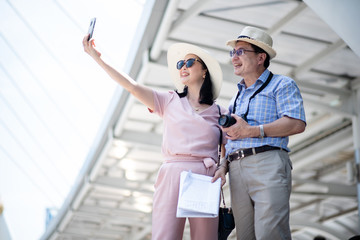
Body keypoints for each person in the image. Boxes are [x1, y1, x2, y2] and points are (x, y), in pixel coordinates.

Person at [83, 36, 227, 240]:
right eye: (180, 64)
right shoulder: (169, 100)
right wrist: (99, 59)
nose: (182, 67)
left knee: (205, 238)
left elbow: (231, 147)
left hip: (206, 177)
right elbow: (132, 86)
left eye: (189, 62)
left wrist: (223, 168)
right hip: (171, 174)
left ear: (204, 71)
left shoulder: (221, 112)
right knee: (165, 236)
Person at [212, 26, 306, 240]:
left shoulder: (282, 84)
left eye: (240, 52)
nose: (234, 58)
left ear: (261, 57)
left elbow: (297, 123)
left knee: (270, 233)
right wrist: (223, 166)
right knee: (244, 236)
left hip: (268, 162)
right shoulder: (236, 96)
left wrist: (251, 131)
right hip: (236, 169)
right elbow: (231, 138)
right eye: (232, 53)